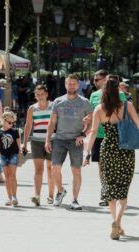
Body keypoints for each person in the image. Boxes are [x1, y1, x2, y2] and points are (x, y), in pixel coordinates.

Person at [84, 76, 139, 240]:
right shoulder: (127, 105)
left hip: (107, 149)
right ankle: (118, 222)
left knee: (109, 188)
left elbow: (93, 133)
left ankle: (115, 222)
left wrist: (87, 153)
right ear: (118, 89)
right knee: (123, 188)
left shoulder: (99, 109)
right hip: (125, 149)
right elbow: (138, 125)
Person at [45, 74, 93, 210]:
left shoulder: (84, 102)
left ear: (78, 85)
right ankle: (60, 191)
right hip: (59, 139)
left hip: (75, 140)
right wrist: (47, 140)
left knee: (76, 170)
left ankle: (75, 200)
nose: (71, 86)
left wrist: (83, 135)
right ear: (65, 85)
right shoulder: (58, 101)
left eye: (74, 84)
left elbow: (91, 121)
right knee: (55, 169)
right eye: (69, 84)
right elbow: (52, 121)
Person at [89, 71, 127, 207]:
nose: (94, 82)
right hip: (99, 135)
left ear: (105, 80)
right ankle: (105, 191)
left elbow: (126, 115)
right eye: (94, 80)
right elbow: (91, 114)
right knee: (102, 166)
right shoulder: (93, 95)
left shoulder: (121, 95)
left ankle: (114, 191)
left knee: (117, 166)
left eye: (97, 80)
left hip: (117, 136)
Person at [22, 85, 55, 206]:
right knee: (38, 170)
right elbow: (28, 126)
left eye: (42, 94)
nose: (40, 96)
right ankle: (37, 196)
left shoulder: (53, 106)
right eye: (37, 94)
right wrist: (25, 143)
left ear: (46, 94)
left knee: (50, 169)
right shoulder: (32, 108)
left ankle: (51, 196)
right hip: (36, 141)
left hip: (52, 140)